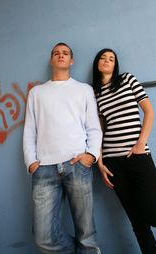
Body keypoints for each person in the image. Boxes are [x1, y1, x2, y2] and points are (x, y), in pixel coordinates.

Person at [23, 42, 102, 254]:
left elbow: (94, 128)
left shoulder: (84, 90)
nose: (61, 55)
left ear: (71, 60)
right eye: (56, 53)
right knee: (43, 238)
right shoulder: (36, 93)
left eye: (65, 53)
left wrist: (91, 156)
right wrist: (32, 163)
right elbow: (30, 130)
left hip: (78, 165)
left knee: (87, 235)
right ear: (51, 60)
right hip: (44, 169)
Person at [92, 48, 156, 254]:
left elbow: (149, 111)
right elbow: (99, 129)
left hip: (138, 156)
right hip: (112, 162)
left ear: (115, 65)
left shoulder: (127, 80)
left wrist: (140, 144)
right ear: (97, 64)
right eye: (103, 58)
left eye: (111, 59)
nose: (107, 61)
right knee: (138, 224)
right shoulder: (95, 93)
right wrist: (100, 163)